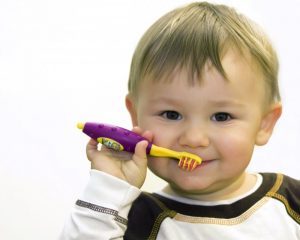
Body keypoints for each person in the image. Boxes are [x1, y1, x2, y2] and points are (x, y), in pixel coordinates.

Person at [60, 2, 300, 239]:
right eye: (171, 115)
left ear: (264, 124)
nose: (194, 139)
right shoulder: (134, 220)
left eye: (221, 116)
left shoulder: (292, 202)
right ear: (136, 116)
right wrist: (108, 187)